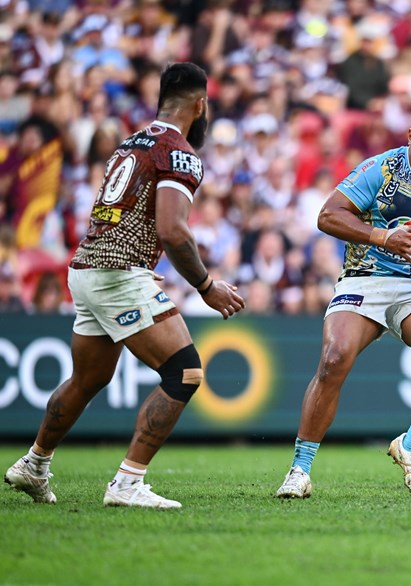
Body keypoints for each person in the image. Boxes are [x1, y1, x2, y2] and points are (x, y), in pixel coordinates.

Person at [3, 62, 245, 509]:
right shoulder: (180, 152)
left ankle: (34, 464)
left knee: (89, 377)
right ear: (200, 104)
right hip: (118, 273)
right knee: (185, 372)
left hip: (88, 266)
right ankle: (127, 483)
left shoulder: (128, 145)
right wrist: (206, 285)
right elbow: (173, 230)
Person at [275, 104, 411, 500]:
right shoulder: (381, 169)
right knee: (334, 359)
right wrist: (383, 237)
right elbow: (327, 216)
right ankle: (299, 470)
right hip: (364, 278)